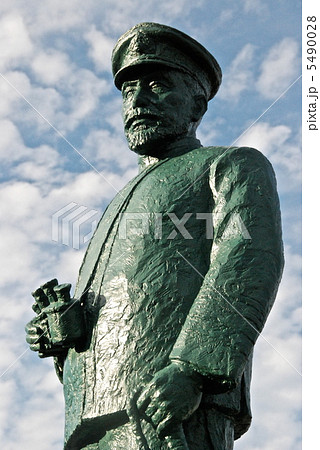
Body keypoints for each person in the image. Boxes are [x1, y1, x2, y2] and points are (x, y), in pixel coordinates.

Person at [26, 22, 284, 450]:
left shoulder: (231, 164)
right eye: (128, 92)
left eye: (157, 86)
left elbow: (248, 258)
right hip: (91, 417)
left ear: (197, 104)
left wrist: (192, 369)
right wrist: (64, 335)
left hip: (167, 403)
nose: (137, 101)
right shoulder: (117, 203)